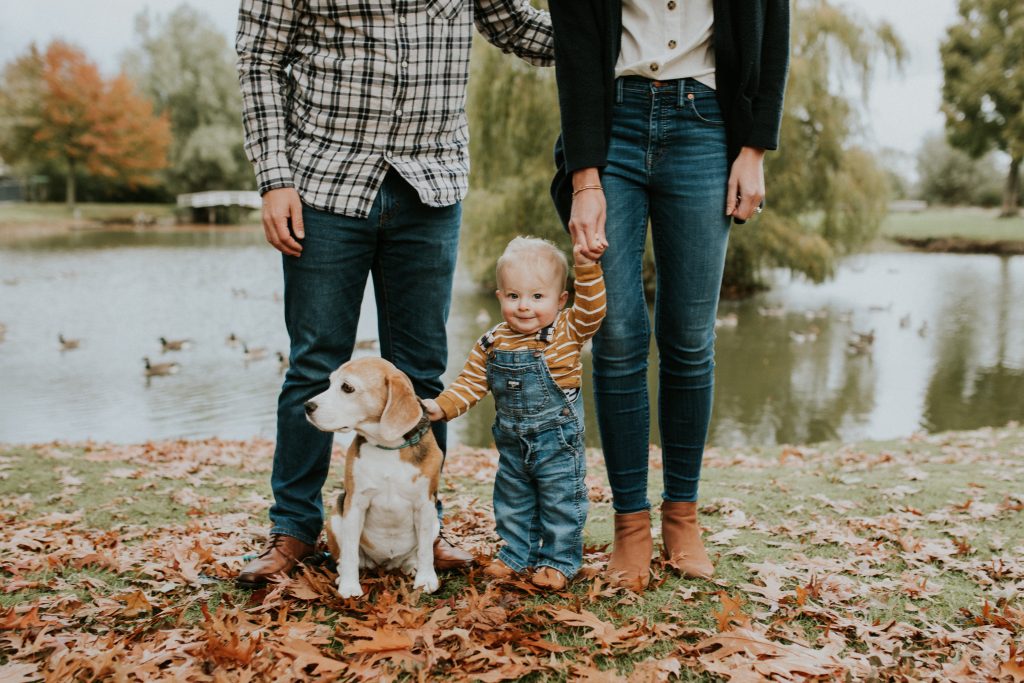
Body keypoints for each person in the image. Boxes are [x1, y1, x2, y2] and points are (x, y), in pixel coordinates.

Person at [234, 0, 555, 586]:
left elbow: (515, 25)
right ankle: (294, 528)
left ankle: (423, 524)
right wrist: (274, 178)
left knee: (423, 372)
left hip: (431, 183)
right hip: (325, 180)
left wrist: (617, 32)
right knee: (314, 365)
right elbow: (260, 58)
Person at [548, 0, 790, 590]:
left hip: (706, 122)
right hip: (613, 121)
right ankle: (630, 522)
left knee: (688, 337)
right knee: (617, 334)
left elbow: (773, 28)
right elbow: (575, 49)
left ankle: (682, 515)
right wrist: (584, 178)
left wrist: (755, 148)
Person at [423, 237, 606, 591]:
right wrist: (443, 406)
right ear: (499, 297)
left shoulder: (567, 330)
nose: (524, 306)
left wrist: (586, 268)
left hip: (557, 442)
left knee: (561, 500)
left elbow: (592, 310)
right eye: (513, 296)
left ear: (560, 300)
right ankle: (516, 555)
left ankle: (558, 560)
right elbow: (470, 383)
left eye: (537, 296)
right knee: (512, 501)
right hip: (511, 443)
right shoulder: (491, 342)